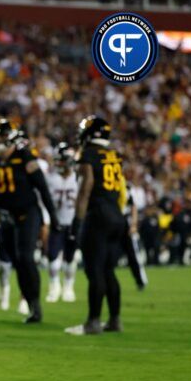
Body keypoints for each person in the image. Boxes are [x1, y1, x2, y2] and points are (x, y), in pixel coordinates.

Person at [0, 119, 59, 324]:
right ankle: (31, 302)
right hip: (7, 218)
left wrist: (53, 216)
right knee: (16, 262)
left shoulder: (25, 157)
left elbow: (42, 188)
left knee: (25, 257)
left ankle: (35, 305)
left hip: (28, 214)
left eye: (2, 136)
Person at [65, 116, 126, 335]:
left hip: (97, 216)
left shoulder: (87, 155)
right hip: (116, 214)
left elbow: (85, 189)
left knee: (95, 271)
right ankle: (115, 320)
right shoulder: (114, 155)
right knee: (109, 270)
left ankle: (92, 322)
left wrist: (77, 221)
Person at [45, 142, 79, 303]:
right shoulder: (50, 178)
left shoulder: (78, 178)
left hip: (73, 222)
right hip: (56, 222)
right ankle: (54, 286)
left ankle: (68, 286)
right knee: (52, 258)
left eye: (62, 160)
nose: (58, 163)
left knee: (70, 258)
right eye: (57, 160)